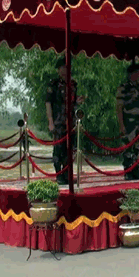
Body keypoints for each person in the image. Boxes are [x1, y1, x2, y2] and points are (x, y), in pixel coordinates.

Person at [45, 57, 85, 185]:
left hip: (71, 122)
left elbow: (72, 103)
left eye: (67, 68)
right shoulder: (54, 84)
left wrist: (77, 101)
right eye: (62, 68)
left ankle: (67, 174)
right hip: (58, 121)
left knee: (70, 148)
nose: (65, 70)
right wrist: (50, 121)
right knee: (58, 148)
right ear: (58, 70)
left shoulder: (73, 84)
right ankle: (59, 175)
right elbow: (48, 103)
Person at [116, 60, 139, 180]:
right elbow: (119, 107)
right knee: (129, 148)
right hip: (128, 123)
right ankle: (128, 171)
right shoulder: (124, 88)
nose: (138, 75)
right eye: (136, 73)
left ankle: (138, 170)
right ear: (130, 74)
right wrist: (121, 125)